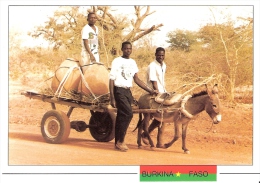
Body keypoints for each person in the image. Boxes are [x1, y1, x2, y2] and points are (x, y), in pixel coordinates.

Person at [109, 41, 158, 152]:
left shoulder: (132, 62)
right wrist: (112, 97)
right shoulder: (117, 61)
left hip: (127, 91)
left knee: (122, 115)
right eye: (126, 48)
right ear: (122, 49)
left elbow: (136, 79)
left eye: (130, 49)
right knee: (128, 113)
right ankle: (121, 141)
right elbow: (111, 79)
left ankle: (117, 142)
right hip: (119, 90)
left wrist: (150, 90)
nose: (128, 50)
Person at [142, 47, 167, 148]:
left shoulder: (164, 65)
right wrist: (157, 93)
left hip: (162, 92)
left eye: (162, 55)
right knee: (157, 114)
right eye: (159, 55)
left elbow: (162, 81)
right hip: (152, 93)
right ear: (155, 55)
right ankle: (145, 134)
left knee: (165, 114)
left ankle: (159, 141)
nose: (161, 57)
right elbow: (154, 81)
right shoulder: (152, 66)